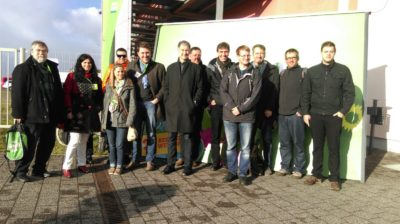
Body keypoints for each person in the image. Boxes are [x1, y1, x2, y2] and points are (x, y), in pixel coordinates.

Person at [302, 41, 355, 191]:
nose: (328, 53)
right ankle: (316, 174)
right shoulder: (312, 71)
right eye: (326, 51)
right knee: (317, 147)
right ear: (321, 52)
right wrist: (306, 112)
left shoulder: (343, 71)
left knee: (334, 148)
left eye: (331, 51)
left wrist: (342, 112)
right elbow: (305, 93)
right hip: (316, 115)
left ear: (335, 52)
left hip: (334, 116)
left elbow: (349, 93)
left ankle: (334, 178)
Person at [11, 40, 64, 182]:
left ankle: (39, 169)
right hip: (32, 114)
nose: (42, 53)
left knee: (47, 144)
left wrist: (60, 114)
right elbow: (17, 93)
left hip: (50, 114)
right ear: (32, 51)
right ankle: (20, 172)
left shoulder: (52, 68)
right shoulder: (23, 69)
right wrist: (18, 114)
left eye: (44, 50)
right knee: (28, 145)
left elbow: (58, 91)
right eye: (39, 50)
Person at [220, 45, 261, 185]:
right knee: (230, 146)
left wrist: (241, 109)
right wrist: (232, 107)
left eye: (248, 55)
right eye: (243, 55)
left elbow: (255, 96)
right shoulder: (230, 71)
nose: (246, 57)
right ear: (238, 56)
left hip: (247, 117)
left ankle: (243, 174)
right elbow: (222, 90)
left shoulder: (255, 73)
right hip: (229, 115)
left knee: (245, 148)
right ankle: (232, 172)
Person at [163, 40, 203, 176]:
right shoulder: (171, 68)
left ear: (189, 51)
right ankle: (170, 164)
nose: (185, 52)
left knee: (187, 138)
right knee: (172, 137)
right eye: (182, 50)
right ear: (178, 50)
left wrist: (194, 102)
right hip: (173, 108)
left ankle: (187, 165)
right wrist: (167, 102)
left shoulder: (195, 68)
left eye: (187, 50)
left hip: (188, 108)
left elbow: (200, 88)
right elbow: (166, 87)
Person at [125, 42, 166, 171]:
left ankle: (150, 160)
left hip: (150, 104)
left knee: (151, 133)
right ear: (138, 54)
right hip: (136, 104)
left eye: (147, 52)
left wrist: (157, 98)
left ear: (151, 53)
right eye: (142, 53)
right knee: (136, 133)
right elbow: (126, 83)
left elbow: (165, 86)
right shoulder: (131, 66)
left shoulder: (159, 67)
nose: (145, 55)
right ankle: (135, 159)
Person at [62, 54, 103, 178]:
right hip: (76, 113)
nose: (87, 65)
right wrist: (68, 110)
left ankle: (82, 163)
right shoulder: (72, 76)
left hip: (89, 114)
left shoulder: (96, 79)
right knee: (74, 140)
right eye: (85, 62)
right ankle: (66, 166)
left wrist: (98, 107)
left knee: (84, 140)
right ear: (80, 63)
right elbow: (67, 94)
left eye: (89, 63)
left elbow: (99, 95)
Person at [277, 48, 306, 178]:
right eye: (288, 58)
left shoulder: (304, 73)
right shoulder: (282, 74)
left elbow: (307, 94)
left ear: (298, 58)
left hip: (296, 115)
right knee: (284, 143)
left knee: (298, 143)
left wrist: (301, 110)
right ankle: (285, 167)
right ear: (285, 59)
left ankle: (299, 168)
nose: (291, 60)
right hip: (282, 115)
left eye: (293, 57)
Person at [101, 64, 136, 175]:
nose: (120, 73)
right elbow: (105, 103)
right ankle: (112, 164)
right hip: (109, 119)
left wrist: (130, 120)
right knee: (111, 145)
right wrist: (103, 120)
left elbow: (132, 105)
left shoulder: (129, 85)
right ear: (114, 73)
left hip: (122, 119)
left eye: (122, 71)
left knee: (119, 144)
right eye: (117, 72)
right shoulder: (109, 85)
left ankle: (119, 165)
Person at [251, 44, 279, 176]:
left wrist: (269, 108)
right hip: (251, 111)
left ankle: (267, 166)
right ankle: (254, 166)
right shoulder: (248, 68)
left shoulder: (273, 69)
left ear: (265, 54)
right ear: (253, 54)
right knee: (251, 141)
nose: (259, 55)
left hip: (266, 111)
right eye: (256, 53)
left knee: (267, 140)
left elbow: (275, 91)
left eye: (261, 53)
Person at [206, 42, 234, 170]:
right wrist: (209, 99)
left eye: (226, 51)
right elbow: (205, 85)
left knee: (229, 135)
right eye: (221, 52)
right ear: (217, 52)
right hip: (216, 105)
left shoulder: (234, 66)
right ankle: (215, 162)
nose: (223, 54)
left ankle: (227, 161)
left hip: (229, 105)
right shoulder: (210, 66)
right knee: (215, 135)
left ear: (229, 52)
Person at [188, 46, 208, 167]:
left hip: (198, 107)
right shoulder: (185, 69)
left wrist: (204, 103)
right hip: (185, 106)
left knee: (195, 133)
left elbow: (206, 87)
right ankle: (184, 157)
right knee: (185, 133)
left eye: (199, 55)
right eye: (195, 55)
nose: (197, 57)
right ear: (190, 56)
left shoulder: (204, 69)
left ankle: (194, 157)